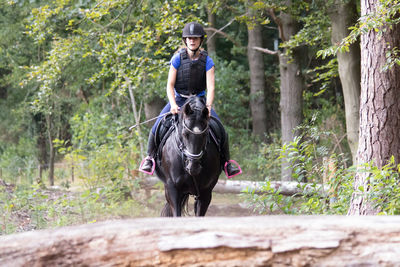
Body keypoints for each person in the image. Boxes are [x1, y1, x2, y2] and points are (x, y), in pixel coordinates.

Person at [139, 21, 241, 178]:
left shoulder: (208, 61)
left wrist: (208, 106)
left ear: (201, 40)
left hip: (200, 101)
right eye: (189, 38)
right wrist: (173, 104)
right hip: (179, 99)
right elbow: (170, 85)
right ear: (185, 40)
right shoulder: (177, 59)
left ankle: (227, 163)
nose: (192, 40)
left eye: (195, 38)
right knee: (158, 124)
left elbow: (211, 87)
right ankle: (150, 158)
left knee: (220, 128)